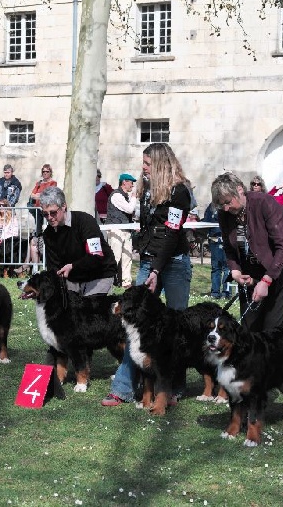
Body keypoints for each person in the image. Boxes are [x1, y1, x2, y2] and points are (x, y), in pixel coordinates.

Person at [103, 143, 192, 407]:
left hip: (173, 263)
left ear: (161, 164)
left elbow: (172, 233)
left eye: (147, 164)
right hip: (149, 261)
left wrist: (156, 269)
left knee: (176, 326)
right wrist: (144, 253)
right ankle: (123, 388)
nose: (143, 168)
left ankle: (174, 387)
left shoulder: (180, 192)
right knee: (134, 322)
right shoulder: (146, 190)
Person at [212, 172, 283, 332]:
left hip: (280, 274)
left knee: (272, 333)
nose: (225, 208)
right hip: (251, 277)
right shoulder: (224, 214)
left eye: (228, 202)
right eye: (221, 205)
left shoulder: (265, 203)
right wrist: (235, 270)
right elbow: (228, 246)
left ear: (239, 190)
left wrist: (266, 281)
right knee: (248, 333)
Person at [40, 186, 117, 294]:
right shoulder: (48, 234)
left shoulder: (85, 221)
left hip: (99, 274)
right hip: (72, 278)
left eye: (53, 213)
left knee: (89, 304)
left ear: (63, 206)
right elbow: (53, 267)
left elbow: (96, 256)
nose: (49, 218)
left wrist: (73, 266)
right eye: (45, 214)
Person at [106, 173, 137, 288]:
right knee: (115, 257)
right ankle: (109, 281)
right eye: (131, 182)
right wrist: (134, 197)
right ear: (124, 182)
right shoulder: (116, 195)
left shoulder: (125, 197)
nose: (132, 185)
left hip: (126, 229)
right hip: (116, 229)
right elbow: (130, 209)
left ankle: (126, 282)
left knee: (127, 257)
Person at [202, 202, 230, 299]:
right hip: (215, 240)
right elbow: (206, 221)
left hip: (227, 241)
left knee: (226, 268)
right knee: (217, 268)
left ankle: (225, 293)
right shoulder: (212, 206)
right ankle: (216, 293)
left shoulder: (229, 203)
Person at [26, 163, 57, 236]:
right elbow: (32, 195)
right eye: (43, 171)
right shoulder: (39, 183)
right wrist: (41, 195)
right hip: (38, 208)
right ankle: (38, 238)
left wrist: (39, 195)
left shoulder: (53, 183)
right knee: (38, 226)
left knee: (49, 225)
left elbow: (50, 195)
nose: (45, 173)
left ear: (50, 172)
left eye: (47, 171)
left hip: (47, 208)